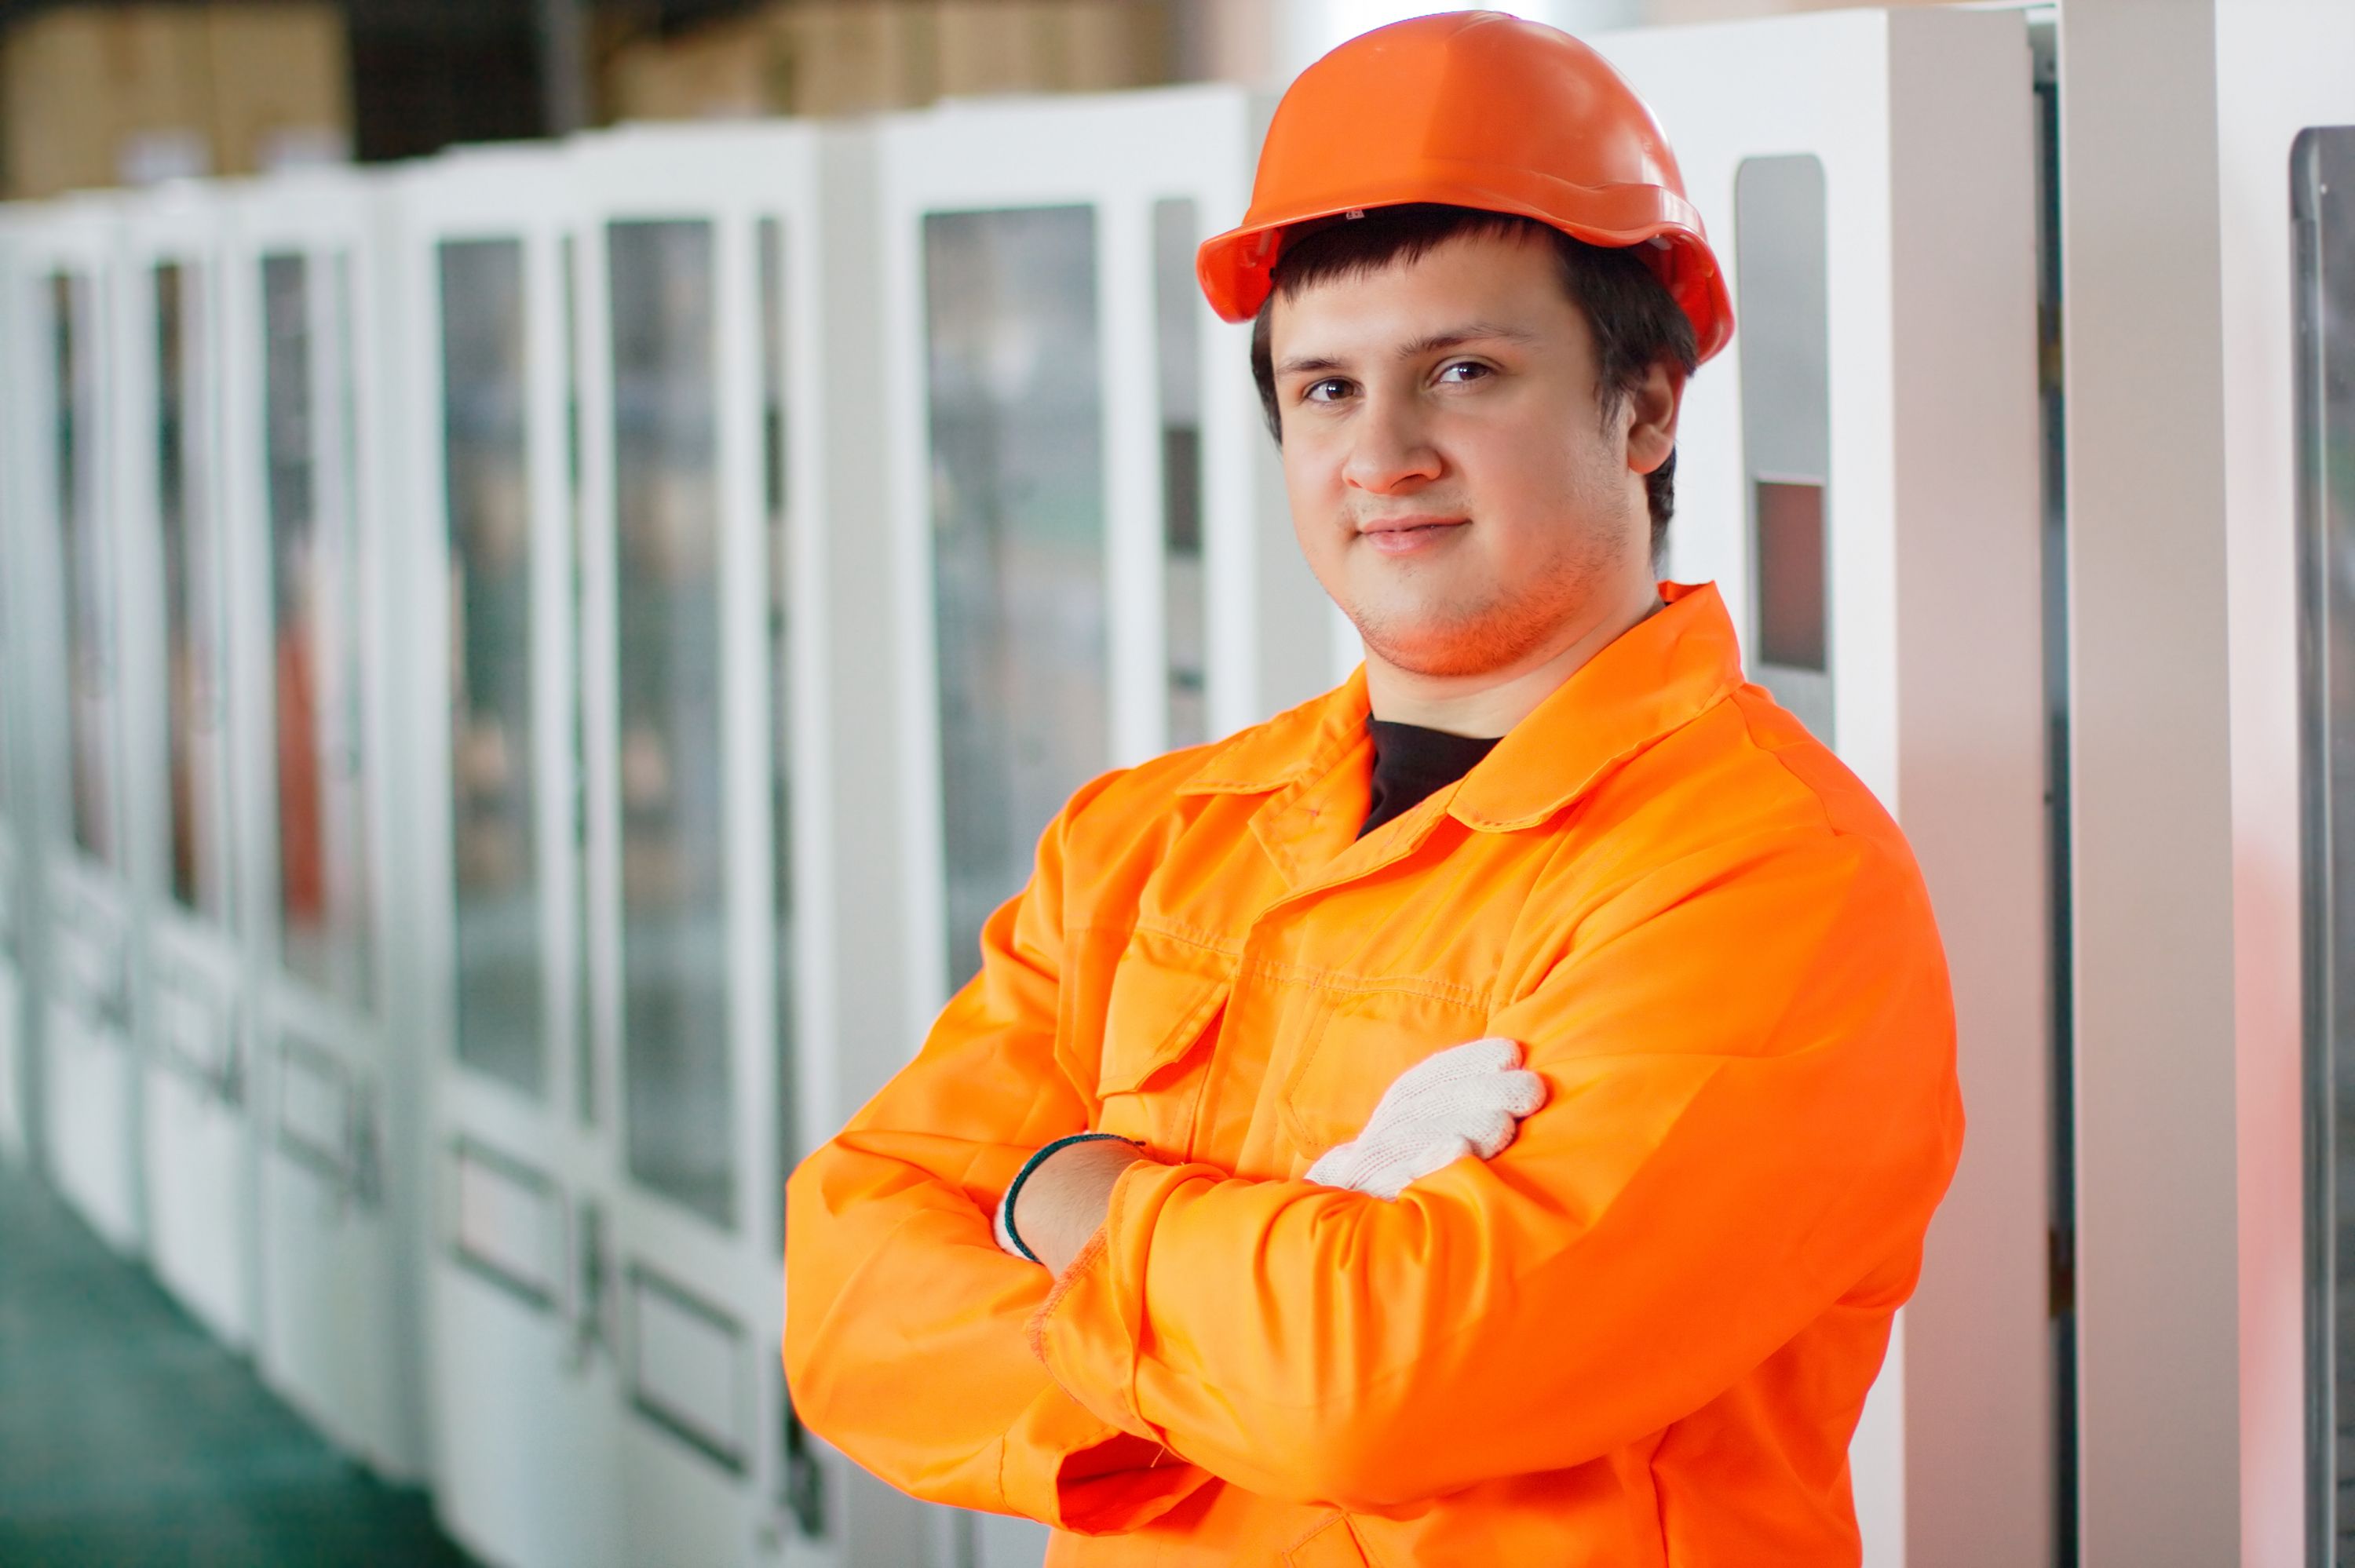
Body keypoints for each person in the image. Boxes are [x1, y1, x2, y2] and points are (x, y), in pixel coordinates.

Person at [784, 13, 1962, 1564]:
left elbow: (1375, 1390)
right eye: (1325, 388)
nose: (1381, 450)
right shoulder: (1147, 843)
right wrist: (1248, 1339)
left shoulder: (1769, 883)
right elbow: (852, 1291)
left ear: (1648, 407)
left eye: (1462, 371)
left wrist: (1067, 1194)